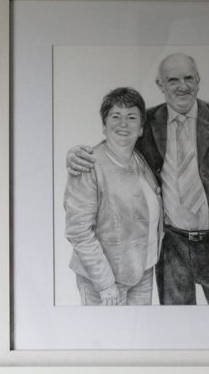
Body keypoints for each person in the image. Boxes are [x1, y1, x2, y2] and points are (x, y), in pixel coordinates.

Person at [67, 54, 209, 305]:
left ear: (199, 80)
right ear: (160, 85)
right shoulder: (146, 122)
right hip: (172, 249)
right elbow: (116, 143)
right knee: (177, 327)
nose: (183, 86)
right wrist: (75, 155)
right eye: (173, 80)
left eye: (189, 78)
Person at [65, 87, 163, 306]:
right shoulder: (88, 164)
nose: (123, 124)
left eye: (131, 117)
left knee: (137, 336)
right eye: (115, 116)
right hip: (105, 281)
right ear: (104, 126)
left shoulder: (140, 159)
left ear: (140, 128)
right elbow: (78, 231)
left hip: (143, 272)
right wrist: (105, 283)